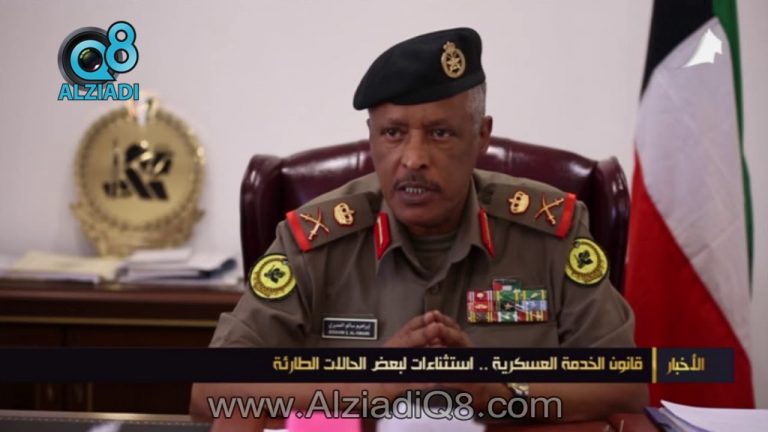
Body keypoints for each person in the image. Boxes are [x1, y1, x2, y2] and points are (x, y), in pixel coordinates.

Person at [190, 27, 647, 424]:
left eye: (440, 133)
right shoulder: (313, 239)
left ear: (482, 136)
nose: (412, 159)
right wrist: (372, 387)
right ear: (371, 137)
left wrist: (499, 393)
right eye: (393, 133)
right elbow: (210, 393)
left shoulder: (550, 232)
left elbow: (626, 386)